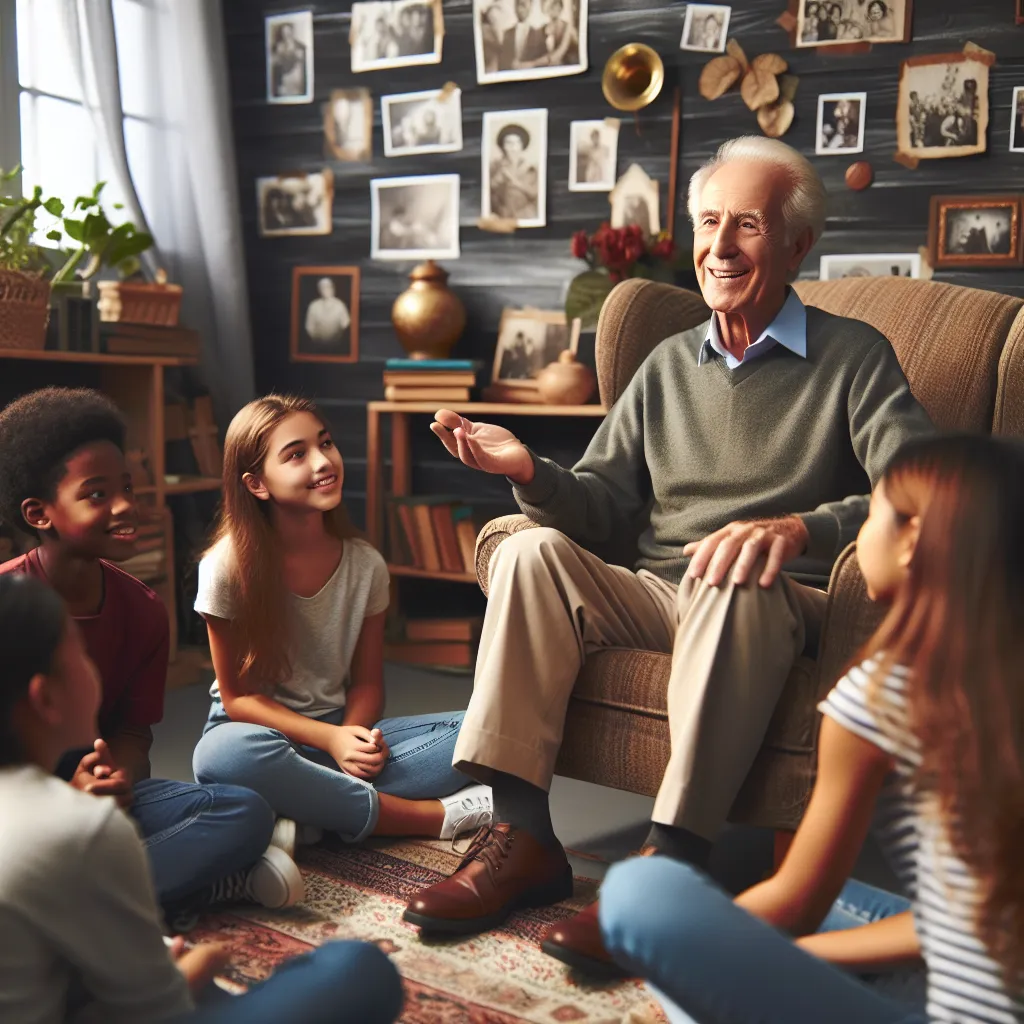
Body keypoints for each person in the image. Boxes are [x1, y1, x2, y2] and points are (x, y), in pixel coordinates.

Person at [403, 137, 935, 969]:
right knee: (532, 553)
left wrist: (802, 528)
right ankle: (524, 836)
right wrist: (530, 472)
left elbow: (922, 490)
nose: (720, 248)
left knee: (733, 576)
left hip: (778, 599)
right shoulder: (664, 366)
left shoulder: (854, 357)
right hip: (660, 590)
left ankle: (668, 867)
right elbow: (606, 510)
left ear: (796, 245)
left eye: (748, 226)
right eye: (710, 223)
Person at [599, 434, 1024, 1024]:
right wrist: (795, 959)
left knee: (637, 895)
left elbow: (795, 904)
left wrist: (722, 958)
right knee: (859, 903)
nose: (860, 533)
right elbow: (974, 916)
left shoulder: (887, 692)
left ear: (914, 541)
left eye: (873, 513)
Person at [0, 572, 405, 1024]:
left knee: (238, 807)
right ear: (46, 698)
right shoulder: (85, 828)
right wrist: (203, 961)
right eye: (78, 654)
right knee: (359, 970)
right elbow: (155, 1007)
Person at [0, 387, 302, 923]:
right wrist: (54, 801)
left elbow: (134, 735)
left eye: (128, 488)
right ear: (39, 513)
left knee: (243, 811)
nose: (125, 506)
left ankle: (72, 904)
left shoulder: (142, 609)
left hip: (97, 800)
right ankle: (143, 894)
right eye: (96, 494)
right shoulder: (8, 603)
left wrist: (117, 778)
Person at [191, 395, 494, 848]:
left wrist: (355, 740)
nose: (323, 460)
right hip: (258, 738)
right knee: (221, 756)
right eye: (296, 454)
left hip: (337, 730)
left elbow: (368, 685)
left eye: (326, 443)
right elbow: (238, 699)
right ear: (257, 484)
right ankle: (425, 818)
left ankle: (304, 810)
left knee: (491, 728)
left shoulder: (366, 566)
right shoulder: (225, 568)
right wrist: (330, 740)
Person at [490, 124, 539, 221]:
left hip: (526, 215)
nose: (513, 147)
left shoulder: (531, 169)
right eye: (509, 143)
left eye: (517, 143)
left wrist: (515, 182)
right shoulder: (495, 167)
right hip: (502, 216)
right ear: (503, 146)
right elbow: (489, 191)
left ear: (522, 145)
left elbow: (535, 193)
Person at [499, 0, 547, 70]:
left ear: (530, 8)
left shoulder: (539, 35)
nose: (521, 9)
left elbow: (545, 64)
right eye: (518, 5)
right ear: (515, 8)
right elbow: (502, 63)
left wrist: (530, 64)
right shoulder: (507, 34)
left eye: (524, 5)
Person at [305, 277, 351, 347]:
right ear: (319, 290)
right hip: (317, 345)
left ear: (333, 288)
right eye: (322, 287)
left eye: (328, 287)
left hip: (336, 345)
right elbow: (309, 327)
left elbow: (346, 325)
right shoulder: (313, 306)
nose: (326, 289)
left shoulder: (340, 305)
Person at [270, 21, 307, 97]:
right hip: (283, 79)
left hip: (295, 77)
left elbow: (302, 64)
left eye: (288, 31)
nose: (286, 34)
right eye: (284, 32)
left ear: (292, 32)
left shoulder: (300, 46)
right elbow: (276, 64)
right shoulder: (279, 47)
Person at [542, 0, 579, 66]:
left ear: (560, 8)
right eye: (552, 6)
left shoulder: (568, 27)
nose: (554, 9)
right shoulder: (543, 29)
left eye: (557, 6)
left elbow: (577, 48)